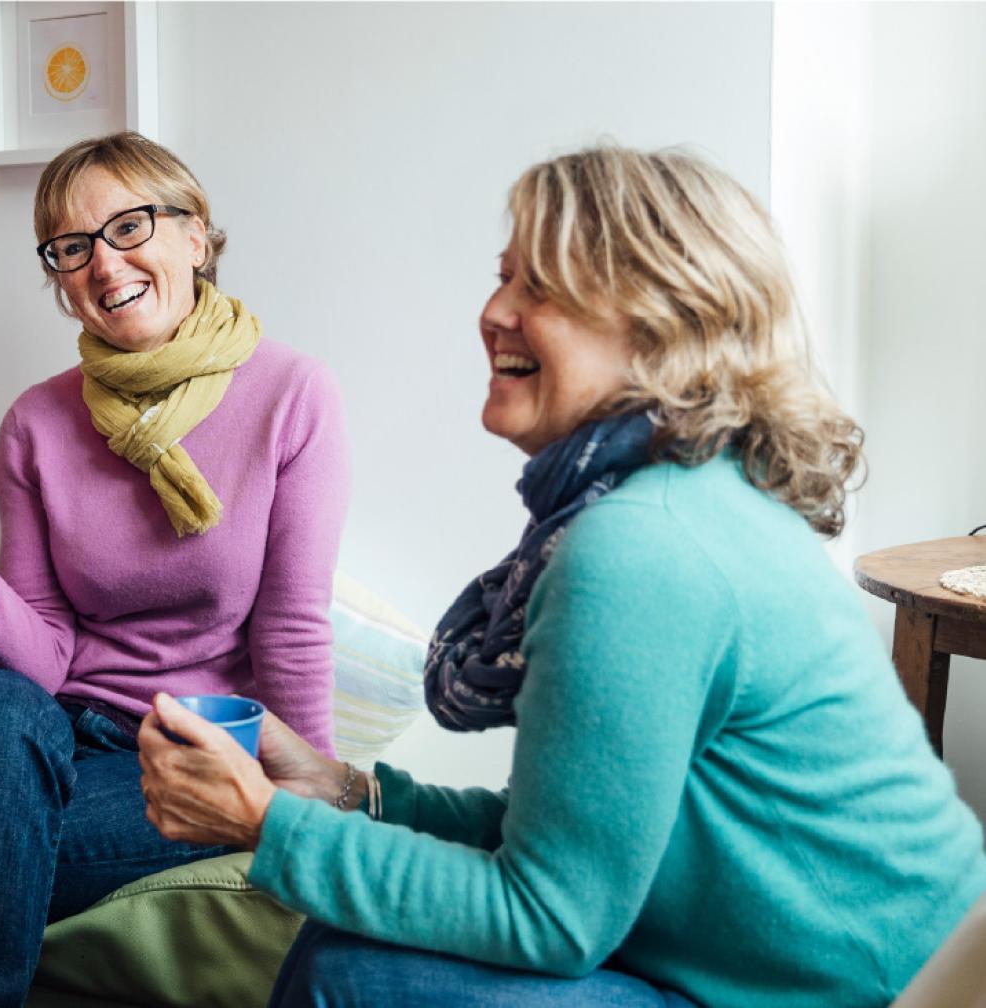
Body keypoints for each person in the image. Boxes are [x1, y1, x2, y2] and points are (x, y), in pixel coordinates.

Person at [137, 146, 986, 1007]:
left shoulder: (641, 549)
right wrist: (346, 794)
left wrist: (265, 822)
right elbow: (574, 840)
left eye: (540, 287)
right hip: (807, 965)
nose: (494, 310)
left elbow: (549, 913)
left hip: (890, 993)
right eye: (503, 277)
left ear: (664, 325)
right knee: (350, 943)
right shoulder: (686, 498)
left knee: (355, 976)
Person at [0, 131, 349, 1005]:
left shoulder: (290, 393)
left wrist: (301, 797)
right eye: (73, 246)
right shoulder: (36, 422)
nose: (104, 263)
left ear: (197, 236)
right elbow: (45, 656)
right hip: (52, 734)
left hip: (191, 753)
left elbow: (290, 624)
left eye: (131, 227)